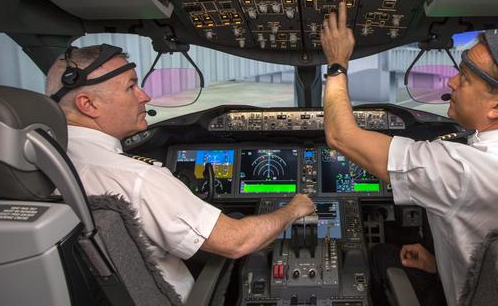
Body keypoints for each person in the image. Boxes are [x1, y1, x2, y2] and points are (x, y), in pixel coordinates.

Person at [321, 2, 498, 305]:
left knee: (380, 256)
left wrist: (337, 62)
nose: (451, 81)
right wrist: (440, 265)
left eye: (465, 78)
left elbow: (341, 136)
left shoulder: (462, 169)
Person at [45, 44, 316, 302]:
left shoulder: (37, 167)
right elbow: (237, 242)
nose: (145, 96)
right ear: (88, 104)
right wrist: (295, 208)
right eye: (131, 87)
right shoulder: (137, 178)